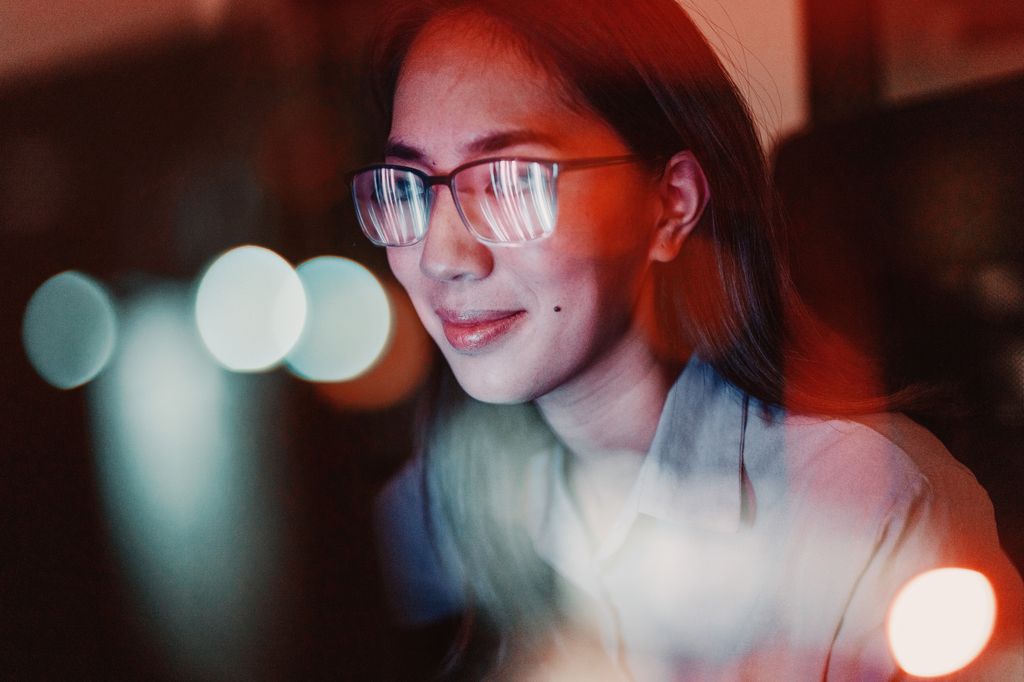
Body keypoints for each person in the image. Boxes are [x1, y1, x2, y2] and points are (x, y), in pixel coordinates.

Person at [351, 0, 1024, 678]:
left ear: (671, 204)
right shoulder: (447, 499)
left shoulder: (875, 513)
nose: (442, 255)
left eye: (509, 181)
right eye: (409, 186)